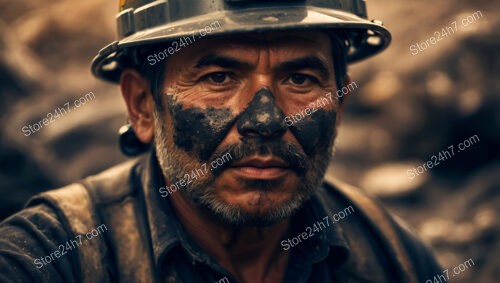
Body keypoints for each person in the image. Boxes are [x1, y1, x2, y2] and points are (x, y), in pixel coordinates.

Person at [0, 0, 442, 282]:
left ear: (339, 104)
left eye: (301, 78)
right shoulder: (51, 256)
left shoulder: (392, 255)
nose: (266, 121)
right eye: (219, 77)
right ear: (141, 106)